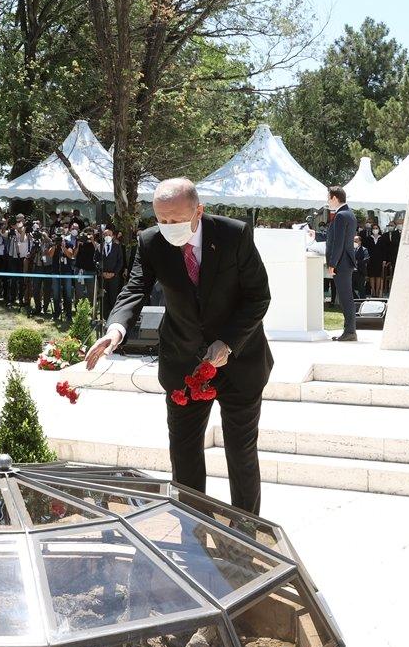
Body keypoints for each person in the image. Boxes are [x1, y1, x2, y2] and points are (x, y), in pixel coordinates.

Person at [87, 178, 272, 514]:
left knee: (240, 451)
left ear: (198, 211)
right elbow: (135, 288)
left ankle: (246, 530)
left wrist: (227, 342)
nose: (168, 227)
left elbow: (258, 296)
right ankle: (193, 528)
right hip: (183, 361)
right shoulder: (151, 241)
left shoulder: (234, 235)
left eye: (175, 220)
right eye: (162, 219)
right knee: (184, 452)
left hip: (240, 360)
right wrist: (116, 328)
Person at [325, 186, 358, 342]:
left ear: (334, 198)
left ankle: (350, 331)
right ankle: (349, 330)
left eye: (328, 198)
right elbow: (336, 238)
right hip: (346, 262)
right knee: (346, 297)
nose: (327, 201)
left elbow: (338, 243)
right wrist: (316, 234)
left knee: (346, 298)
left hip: (341, 263)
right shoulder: (349, 214)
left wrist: (332, 263)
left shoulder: (340, 216)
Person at [99, 225, 125, 319]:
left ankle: (113, 317)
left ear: (113, 236)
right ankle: (104, 317)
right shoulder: (99, 247)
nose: (107, 236)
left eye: (109, 234)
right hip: (103, 277)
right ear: (103, 236)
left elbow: (120, 261)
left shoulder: (117, 247)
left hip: (114, 277)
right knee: (103, 297)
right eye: (105, 234)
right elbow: (95, 260)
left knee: (113, 296)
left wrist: (113, 273)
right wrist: (101, 272)